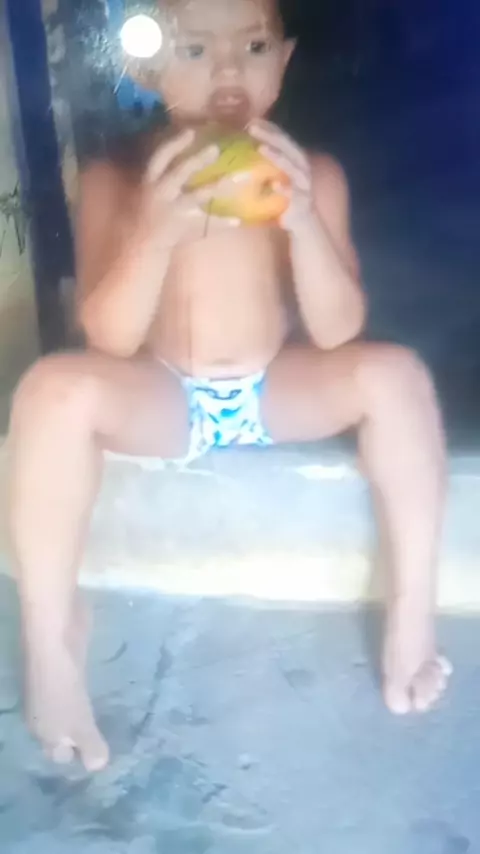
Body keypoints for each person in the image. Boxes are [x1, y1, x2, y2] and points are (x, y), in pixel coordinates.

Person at [7, 0, 451, 772]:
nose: (226, 69)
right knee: (50, 392)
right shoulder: (116, 179)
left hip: (274, 387)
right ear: (145, 67)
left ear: (283, 62)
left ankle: (412, 613)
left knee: (398, 377)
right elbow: (109, 338)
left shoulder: (312, 175)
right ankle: (52, 642)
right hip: (163, 396)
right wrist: (156, 232)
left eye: (252, 46)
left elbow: (339, 331)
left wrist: (302, 220)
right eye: (193, 49)